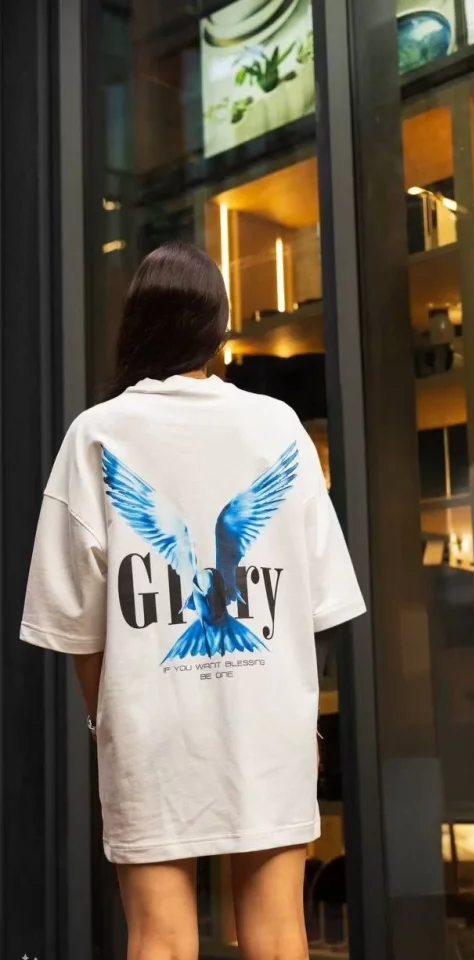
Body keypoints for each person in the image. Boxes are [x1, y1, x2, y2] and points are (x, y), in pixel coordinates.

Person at [20, 241, 366, 960]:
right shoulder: (278, 428)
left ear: (136, 323)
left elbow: (77, 627)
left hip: (150, 724)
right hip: (268, 722)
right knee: (279, 935)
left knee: (160, 940)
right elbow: (318, 605)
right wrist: (299, 719)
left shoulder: (97, 434)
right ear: (219, 328)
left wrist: (107, 722)